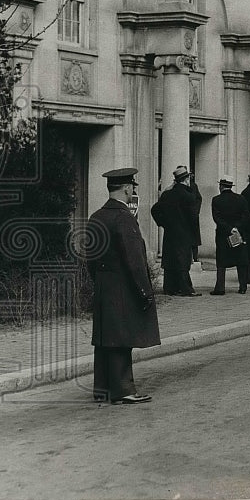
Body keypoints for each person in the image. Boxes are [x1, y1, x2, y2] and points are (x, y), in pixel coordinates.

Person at [85, 167, 160, 404]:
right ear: (127, 188)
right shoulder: (124, 218)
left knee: (105, 337)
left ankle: (102, 389)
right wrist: (145, 290)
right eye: (132, 188)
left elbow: (90, 257)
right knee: (121, 337)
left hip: (104, 284)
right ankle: (123, 390)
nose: (132, 192)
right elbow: (134, 259)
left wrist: (99, 281)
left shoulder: (96, 216)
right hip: (123, 285)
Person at [150, 165, 201, 296]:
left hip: (170, 232)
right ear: (186, 179)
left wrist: (163, 223)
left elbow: (155, 210)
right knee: (183, 261)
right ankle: (185, 288)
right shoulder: (189, 196)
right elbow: (193, 216)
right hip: (184, 233)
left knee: (170, 260)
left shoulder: (167, 194)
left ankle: (169, 288)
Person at [210, 175, 250, 295]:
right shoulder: (241, 199)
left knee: (221, 261)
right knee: (241, 260)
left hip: (223, 234)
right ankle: (243, 287)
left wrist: (229, 228)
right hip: (238, 234)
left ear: (221, 186)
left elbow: (216, 218)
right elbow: (246, 216)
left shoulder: (216, 200)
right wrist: (236, 228)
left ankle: (220, 288)